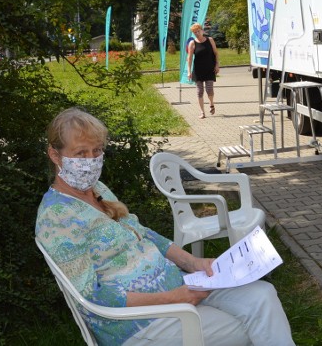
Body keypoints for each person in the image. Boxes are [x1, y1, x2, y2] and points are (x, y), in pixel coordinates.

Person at [35, 108, 294, 346]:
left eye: (97, 151)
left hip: (178, 285)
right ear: (55, 154)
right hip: (138, 322)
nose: (91, 161)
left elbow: (143, 233)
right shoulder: (56, 218)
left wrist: (193, 263)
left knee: (262, 294)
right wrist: (176, 298)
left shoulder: (96, 190)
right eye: (80, 153)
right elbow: (93, 296)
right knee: (250, 325)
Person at [186, 22, 219, 118]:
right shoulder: (192, 43)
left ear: (202, 31)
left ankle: (211, 104)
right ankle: (202, 112)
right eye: (195, 32)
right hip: (198, 70)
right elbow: (190, 58)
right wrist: (189, 71)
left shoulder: (210, 40)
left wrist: (217, 65)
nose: (197, 33)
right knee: (199, 91)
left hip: (209, 69)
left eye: (198, 31)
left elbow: (216, 53)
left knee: (209, 90)